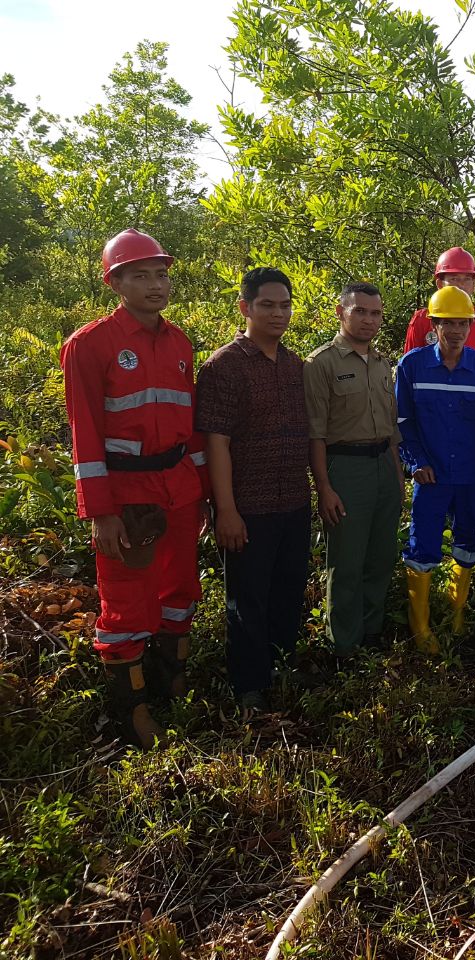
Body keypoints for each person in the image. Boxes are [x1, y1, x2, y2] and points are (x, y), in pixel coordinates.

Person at [61, 229, 208, 746]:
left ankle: (172, 678)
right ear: (115, 282)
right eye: (141, 275)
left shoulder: (179, 342)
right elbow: (85, 435)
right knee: (127, 600)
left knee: (180, 588)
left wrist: (202, 488)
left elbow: (190, 426)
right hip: (127, 496)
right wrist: (100, 512)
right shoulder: (90, 345)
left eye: (162, 275)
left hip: (180, 488)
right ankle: (134, 709)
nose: (155, 285)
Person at [196, 267, 313, 714]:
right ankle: (250, 686)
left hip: (293, 502)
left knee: (288, 590)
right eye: (267, 305)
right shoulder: (224, 366)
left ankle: (284, 666)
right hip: (248, 509)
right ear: (245, 307)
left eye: (285, 305)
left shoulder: (293, 364)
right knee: (247, 601)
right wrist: (225, 510)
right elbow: (216, 443)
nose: (278, 313)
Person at [396, 286, 475, 652]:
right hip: (432, 475)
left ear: (470, 326)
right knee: (422, 545)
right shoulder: (412, 366)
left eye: (462, 323)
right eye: (447, 323)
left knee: (468, 541)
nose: (455, 330)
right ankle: (420, 625)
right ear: (434, 325)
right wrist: (416, 462)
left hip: (471, 475)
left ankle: (457, 614)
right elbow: (404, 422)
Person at [304, 283, 402, 658]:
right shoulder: (321, 363)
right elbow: (315, 433)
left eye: (375, 313)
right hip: (344, 469)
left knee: (379, 558)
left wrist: (396, 477)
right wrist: (323, 488)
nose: (369, 320)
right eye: (360, 311)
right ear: (340, 312)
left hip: (382, 466)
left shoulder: (382, 364)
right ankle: (344, 645)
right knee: (346, 563)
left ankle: (372, 635)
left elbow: (392, 429)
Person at [403, 247, 475, 362]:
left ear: (474, 284)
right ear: (439, 284)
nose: (461, 285)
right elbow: (409, 366)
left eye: (467, 279)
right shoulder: (422, 319)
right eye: (454, 279)